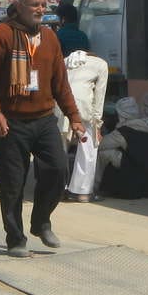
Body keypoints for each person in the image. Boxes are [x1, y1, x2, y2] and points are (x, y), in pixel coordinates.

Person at [0, 0, 84, 258]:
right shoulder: (2, 35)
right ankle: (15, 238)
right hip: (11, 122)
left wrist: (74, 117)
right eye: (34, 5)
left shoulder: (50, 38)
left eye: (43, 5)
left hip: (44, 119)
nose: (40, 9)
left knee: (58, 170)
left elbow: (61, 84)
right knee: (12, 183)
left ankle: (41, 221)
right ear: (20, 7)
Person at [95, 95, 148, 198]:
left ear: (121, 114)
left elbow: (100, 145)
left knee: (104, 152)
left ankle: (94, 186)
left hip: (137, 174)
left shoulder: (121, 133)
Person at [61, 49, 108, 203]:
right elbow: (99, 97)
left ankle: (58, 190)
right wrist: (97, 124)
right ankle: (81, 192)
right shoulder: (101, 64)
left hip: (60, 106)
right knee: (88, 149)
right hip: (83, 108)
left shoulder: (65, 61)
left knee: (59, 149)